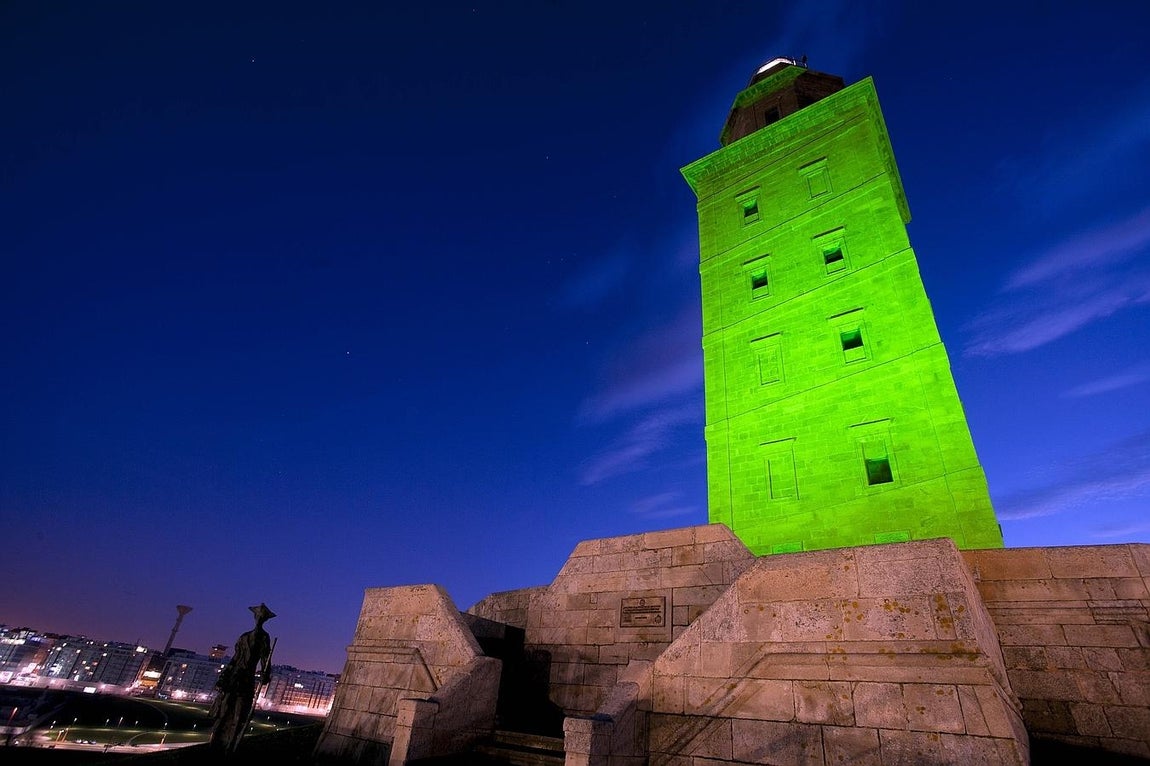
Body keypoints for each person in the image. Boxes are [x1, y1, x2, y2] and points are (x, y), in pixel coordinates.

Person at [208, 602, 276, 756]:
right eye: (258, 615)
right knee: (224, 710)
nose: (259, 618)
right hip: (234, 678)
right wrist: (223, 677)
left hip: (247, 679)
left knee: (240, 713)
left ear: (265, 619)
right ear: (255, 617)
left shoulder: (264, 637)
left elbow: (266, 660)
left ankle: (230, 745)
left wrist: (265, 675)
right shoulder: (244, 637)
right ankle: (215, 743)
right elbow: (235, 659)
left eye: (262, 616)